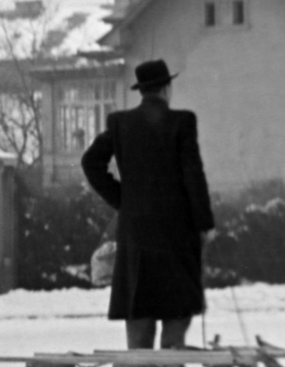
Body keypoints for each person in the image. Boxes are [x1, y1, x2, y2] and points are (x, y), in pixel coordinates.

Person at [80, 59, 215, 350]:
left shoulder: (120, 123)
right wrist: (204, 223)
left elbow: (90, 161)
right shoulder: (182, 122)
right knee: (176, 313)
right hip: (177, 234)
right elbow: (194, 174)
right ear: (167, 88)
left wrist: (124, 200)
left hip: (136, 234)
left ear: (142, 91)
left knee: (138, 311)